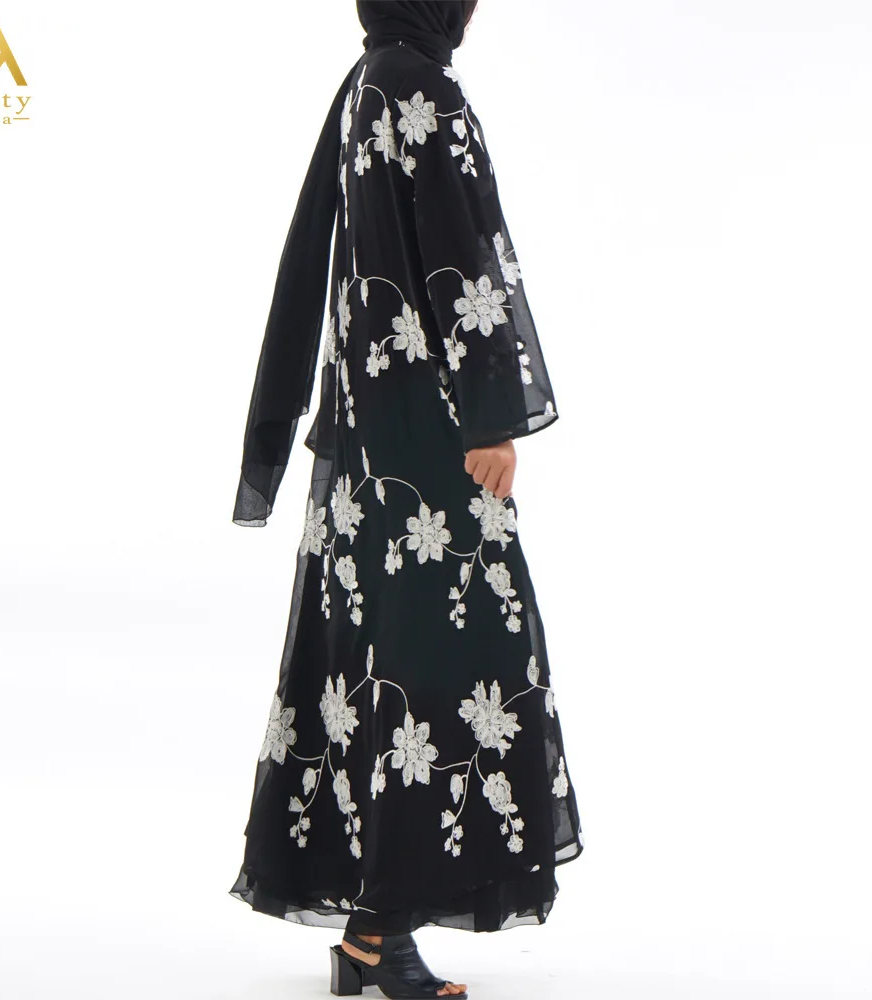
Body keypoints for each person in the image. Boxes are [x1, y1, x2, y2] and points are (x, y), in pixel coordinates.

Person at [229, 2, 584, 996]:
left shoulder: (366, 81)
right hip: (425, 439)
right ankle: (379, 932)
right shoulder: (419, 85)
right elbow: (456, 252)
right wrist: (489, 417)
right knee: (457, 661)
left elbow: (336, 262)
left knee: (379, 667)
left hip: (365, 440)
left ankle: (369, 936)